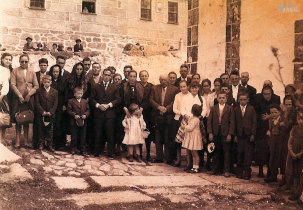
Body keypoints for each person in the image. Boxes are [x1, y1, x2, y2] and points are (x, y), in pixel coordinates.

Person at [90, 68, 121, 158]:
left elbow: (118, 99)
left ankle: (110, 152)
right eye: (105, 75)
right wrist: (98, 105)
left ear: (111, 77)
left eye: (108, 75)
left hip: (110, 115)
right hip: (98, 114)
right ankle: (96, 151)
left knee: (110, 134)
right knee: (98, 133)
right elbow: (91, 98)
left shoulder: (114, 87)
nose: (106, 77)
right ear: (102, 75)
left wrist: (109, 105)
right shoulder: (96, 86)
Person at [10, 54, 39, 148]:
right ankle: (18, 140)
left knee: (26, 118)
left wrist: (29, 95)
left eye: (26, 61)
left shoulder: (32, 72)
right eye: (22, 61)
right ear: (19, 61)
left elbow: (36, 85)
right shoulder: (15, 71)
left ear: (28, 62)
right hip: (18, 99)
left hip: (28, 99)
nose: (24, 63)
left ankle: (26, 141)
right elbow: (13, 84)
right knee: (18, 118)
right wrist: (19, 95)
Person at [150, 74, 178, 164]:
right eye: (161, 80)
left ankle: (168, 158)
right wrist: (158, 107)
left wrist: (166, 109)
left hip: (168, 116)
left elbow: (175, 101)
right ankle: (159, 157)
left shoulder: (174, 89)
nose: (163, 81)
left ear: (168, 80)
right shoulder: (154, 88)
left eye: (165, 80)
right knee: (158, 138)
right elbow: (151, 99)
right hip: (157, 116)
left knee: (167, 138)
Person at [254, 86, 281, 178]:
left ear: (271, 93)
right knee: (261, 151)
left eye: (269, 94)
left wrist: (269, 116)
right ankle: (261, 171)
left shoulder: (276, 100)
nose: (267, 96)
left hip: (272, 128)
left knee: (271, 152)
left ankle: (271, 172)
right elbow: (257, 114)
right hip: (261, 129)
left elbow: (278, 113)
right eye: (265, 94)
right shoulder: (258, 101)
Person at [207, 91, 235, 177]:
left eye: (223, 98)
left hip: (225, 133)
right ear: (217, 98)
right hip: (216, 132)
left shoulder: (229, 108)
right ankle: (215, 169)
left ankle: (226, 170)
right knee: (216, 151)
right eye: (220, 98)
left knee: (226, 152)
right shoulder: (213, 108)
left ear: (226, 99)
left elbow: (232, 122)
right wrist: (210, 132)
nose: (222, 99)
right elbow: (209, 121)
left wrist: (230, 134)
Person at [234, 92, 256, 179]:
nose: (242, 101)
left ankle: (247, 171)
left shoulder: (251, 109)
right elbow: (234, 123)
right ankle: (239, 171)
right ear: (238, 100)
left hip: (248, 135)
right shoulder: (236, 109)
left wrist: (252, 134)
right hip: (239, 135)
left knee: (248, 154)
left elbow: (254, 122)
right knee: (239, 152)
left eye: (244, 100)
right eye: (241, 100)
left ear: (248, 100)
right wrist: (235, 135)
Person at [35, 75, 58, 151]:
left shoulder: (55, 92)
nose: (46, 84)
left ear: (51, 82)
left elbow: (55, 103)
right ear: (42, 82)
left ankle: (50, 144)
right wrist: (42, 111)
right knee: (41, 129)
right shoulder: (39, 91)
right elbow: (37, 102)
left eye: (48, 82)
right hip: (41, 114)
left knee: (50, 130)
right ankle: (41, 143)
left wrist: (51, 112)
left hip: (50, 114)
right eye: (45, 82)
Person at [264, 104, 285, 183]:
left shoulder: (282, 120)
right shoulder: (270, 120)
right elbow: (270, 129)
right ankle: (273, 176)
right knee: (272, 159)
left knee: (281, 159)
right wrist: (269, 131)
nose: (273, 114)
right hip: (273, 142)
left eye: (275, 112)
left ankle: (283, 178)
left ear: (279, 112)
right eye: (271, 113)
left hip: (281, 142)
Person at [280, 95, 297, 186]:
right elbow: (279, 124)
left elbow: (286, 126)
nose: (288, 106)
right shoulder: (283, 112)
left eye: (290, 104)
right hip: (283, 137)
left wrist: (284, 122)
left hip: (291, 138)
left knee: (289, 159)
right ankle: (284, 178)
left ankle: (289, 181)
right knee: (283, 157)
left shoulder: (294, 113)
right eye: (286, 104)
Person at [67, 87, 90, 155]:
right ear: (74, 94)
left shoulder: (85, 101)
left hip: (83, 121)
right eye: (78, 93)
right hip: (74, 121)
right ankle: (73, 148)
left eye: (81, 93)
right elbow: (69, 110)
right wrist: (74, 115)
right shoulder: (71, 101)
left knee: (83, 136)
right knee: (74, 136)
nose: (80, 95)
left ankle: (83, 149)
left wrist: (85, 115)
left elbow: (88, 110)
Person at [48, 64, 66, 149]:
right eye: (54, 71)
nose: (55, 73)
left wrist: (64, 104)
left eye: (57, 71)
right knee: (50, 123)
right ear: (51, 72)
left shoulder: (63, 80)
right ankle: (49, 142)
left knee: (59, 124)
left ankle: (59, 144)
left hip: (60, 105)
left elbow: (65, 93)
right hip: (50, 105)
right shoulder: (49, 80)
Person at [181, 104, 204, 173]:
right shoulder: (193, 118)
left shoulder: (196, 120)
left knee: (195, 153)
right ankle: (194, 167)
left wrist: (184, 126)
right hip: (192, 137)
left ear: (192, 111)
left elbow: (190, 128)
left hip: (194, 138)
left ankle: (196, 167)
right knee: (193, 153)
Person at [286, 111, 303, 201]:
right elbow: (290, 141)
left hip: (301, 156)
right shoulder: (294, 128)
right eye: (299, 119)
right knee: (295, 173)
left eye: (302, 119)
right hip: (294, 155)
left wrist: (300, 154)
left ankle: (300, 193)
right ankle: (295, 192)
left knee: (301, 174)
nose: (300, 121)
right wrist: (291, 152)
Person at [86, 62, 102, 153]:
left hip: (100, 106)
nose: (95, 69)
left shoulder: (103, 79)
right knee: (90, 126)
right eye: (94, 67)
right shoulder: (88, 79)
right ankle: (89, 146)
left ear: (100, 69)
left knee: (98, 127)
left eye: (97, 67)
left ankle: (98, 147)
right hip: (91, 105)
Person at [173, 80, 189, 167]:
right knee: (178, 141)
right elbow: (174, 109)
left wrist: (187, 115)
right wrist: (182, 113)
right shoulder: (177, 96)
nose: (183, 88)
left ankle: (188, 161)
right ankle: (178, 159)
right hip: (178, 118)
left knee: (187, 140)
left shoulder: (190, 95)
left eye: (184, 86)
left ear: (187, 86)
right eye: (181, 87)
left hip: (188, 119)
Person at [139, 70, 154, 161]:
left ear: (148, 76)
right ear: (140, 77)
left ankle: (148, 153)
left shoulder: (151, 86)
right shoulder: (137, 85)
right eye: (142, 76)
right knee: (139, 132)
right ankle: (139, 153)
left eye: (145, 76)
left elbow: (151, 99)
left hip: (148, 113)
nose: (144, 77)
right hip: (139, 113)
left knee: (147, 133)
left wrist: (143, 107)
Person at [0, 53, 12, 143]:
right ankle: (0, 138)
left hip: (9, 95)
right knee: (1, 115)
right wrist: (1, 95)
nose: (8, 61)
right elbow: (4, 84)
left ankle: (3, 137)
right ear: (2, 60)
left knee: (5, 116)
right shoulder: (1, 69)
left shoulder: (11, 70)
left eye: (10, 59)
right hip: (2, 94)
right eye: (6, 59)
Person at [113, 73, 124, 156]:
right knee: (112, 130)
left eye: (119, 79)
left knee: (120, 129)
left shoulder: (123, 88)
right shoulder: (110, 87)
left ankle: (119, 146)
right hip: (112, 111)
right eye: (115, 79)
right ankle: (112, 146)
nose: (117, 80)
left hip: (120, 111)